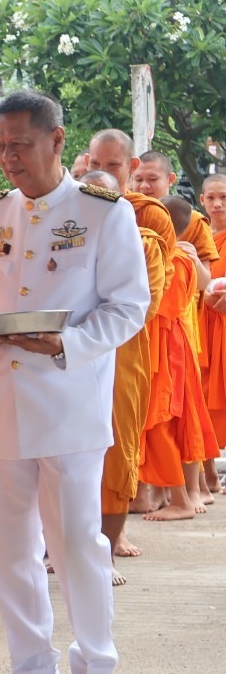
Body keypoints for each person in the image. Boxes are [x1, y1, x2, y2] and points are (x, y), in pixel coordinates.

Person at [0, 90, 148, 674]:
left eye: (21, 145)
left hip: (68, 405)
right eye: (0, 146)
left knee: (76, 547)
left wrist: (64, 342)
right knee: (10, 550)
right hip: (1, 403)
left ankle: (94, 671)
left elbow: (127, 308)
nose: (8, 158)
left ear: (58, 141)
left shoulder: (102, 214)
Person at [90, 130, 215, 521]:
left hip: (146, 339)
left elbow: (157, 292)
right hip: (86, 340)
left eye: (113, 166)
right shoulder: (76, 210)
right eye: (96, 165)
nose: (103, 173)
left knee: (147, 422)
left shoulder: (150, 215)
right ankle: (140, 496)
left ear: (130, 167)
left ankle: (137, 513)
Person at [73, 169, 166, 581]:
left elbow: (143, 307)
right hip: (67, 364)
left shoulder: (144, 246)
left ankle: (106, 551)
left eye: (106, 201)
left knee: (116, 456)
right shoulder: (64, 240)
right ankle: (64, 546)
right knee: (64, 457)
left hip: (122, 361)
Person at [131, 150, 220, 496]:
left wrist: (185, 255)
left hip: (177, 324)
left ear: (169, 180)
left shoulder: (191, 222)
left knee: (178, 410)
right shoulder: (124, 212)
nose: (144, 185)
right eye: (139, 179)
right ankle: (159, 490)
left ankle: (191, 488)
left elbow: (204, 278)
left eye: (152, 179)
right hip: (140, 328)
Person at [199, 175, 226, 445]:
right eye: (211, 198)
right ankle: (209, 474)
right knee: (204, 395)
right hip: (205, 328)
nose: (217, 204)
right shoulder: (198, 235)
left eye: (224, 197)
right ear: (202, 200)